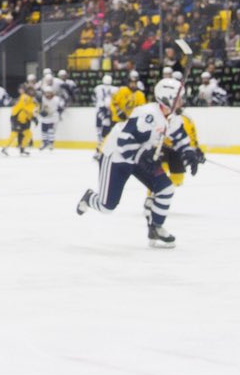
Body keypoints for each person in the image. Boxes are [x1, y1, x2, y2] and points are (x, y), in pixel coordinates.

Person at [77, 77, 186, 248]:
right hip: (117, 157)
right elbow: (124, 142)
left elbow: (181, 137)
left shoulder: (173, 118)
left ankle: (156, 227)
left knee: (166, 188)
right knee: (107, 206)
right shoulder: (147, 115)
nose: (181, 102)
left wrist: (191, 153)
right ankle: (89, 197)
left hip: (138, 158)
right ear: (168, 99)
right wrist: (144, 159)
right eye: (178, 98)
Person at [6, 86, 37, 157]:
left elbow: (28, 110)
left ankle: (22, 150)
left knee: (28, 134)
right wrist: (33, 117)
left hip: (22, 119)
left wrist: (33, 117)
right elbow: (24, 108)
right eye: (30, 90)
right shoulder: (25, 97)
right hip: (16, 118)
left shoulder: (30, 99)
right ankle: (5, 148)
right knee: (14, 133)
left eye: (32, 91)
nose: (31, 92)